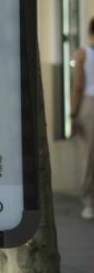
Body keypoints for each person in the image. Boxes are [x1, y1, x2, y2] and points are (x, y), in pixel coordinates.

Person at [71, 17, 94, 219]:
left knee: (89, 154)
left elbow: (77, 86)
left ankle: (89, 202)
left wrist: (72, 113)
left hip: (89, 103)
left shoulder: (83, 53)